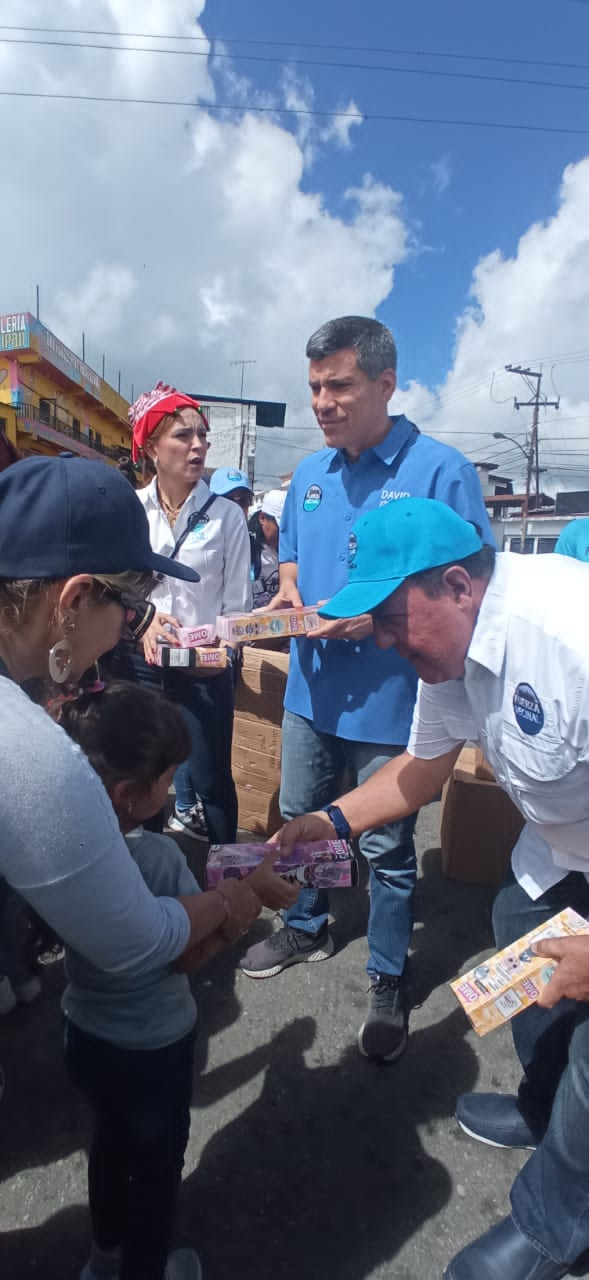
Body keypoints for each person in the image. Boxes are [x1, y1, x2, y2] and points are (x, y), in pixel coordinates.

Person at [275, 495, 589, 1280]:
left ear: (457, 584)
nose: (379, 640)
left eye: (388, 617)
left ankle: (556, 1228)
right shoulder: (450, 651)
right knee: (517, 920)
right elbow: (420, 768)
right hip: (562, 848)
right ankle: (547, 1115)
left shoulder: (568, 638)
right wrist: (330, 822)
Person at [0, 455, 296, 1107]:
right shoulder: (32, 753)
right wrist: (238, 897)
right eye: (132, 605)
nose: (129, 629)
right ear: (74, 600)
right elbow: (141, 943)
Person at [240, 315, 494, 1066]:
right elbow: (290, 556)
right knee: (301, 818)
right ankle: (309, 923)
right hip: (310, 693)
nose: (322, 401)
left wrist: (372, 623)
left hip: (396, 699)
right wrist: (288, 592)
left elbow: (469, 586)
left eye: (339, 385)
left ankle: (386, 971)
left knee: (383, 842)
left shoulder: (440, 470)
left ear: (385, 384)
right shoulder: (311, 474)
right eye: (314, 386)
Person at [58, 681, 287, 1280]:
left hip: (84, 1033)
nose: (172, 790)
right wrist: (245, 903)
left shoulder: (63, 850)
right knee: (157, 1169)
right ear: (132, 795)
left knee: (107, 1146)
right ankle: (148, 1268)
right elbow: (184, 957)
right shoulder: (157, 860)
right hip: (152, 1047)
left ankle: (103, 1255)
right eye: (168, 780)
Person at [128, 383, 252, 843]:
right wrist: (143, 620)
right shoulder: (130, 509)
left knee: (212, 780)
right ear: (151, 448)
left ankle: (228, 888)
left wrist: (224, 653)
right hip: (141, 665)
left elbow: (238, 605)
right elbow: (117, 587)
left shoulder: (227, 516)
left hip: (204, 667)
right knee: (143, 777)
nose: (198, 444)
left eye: (202, 434)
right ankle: (151, 885)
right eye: (183, 435)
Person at [252, 490, 286, 608]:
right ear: (262, 518)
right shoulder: (249, 550)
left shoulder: (296, 551)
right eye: (280, 528)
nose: (284, 534)